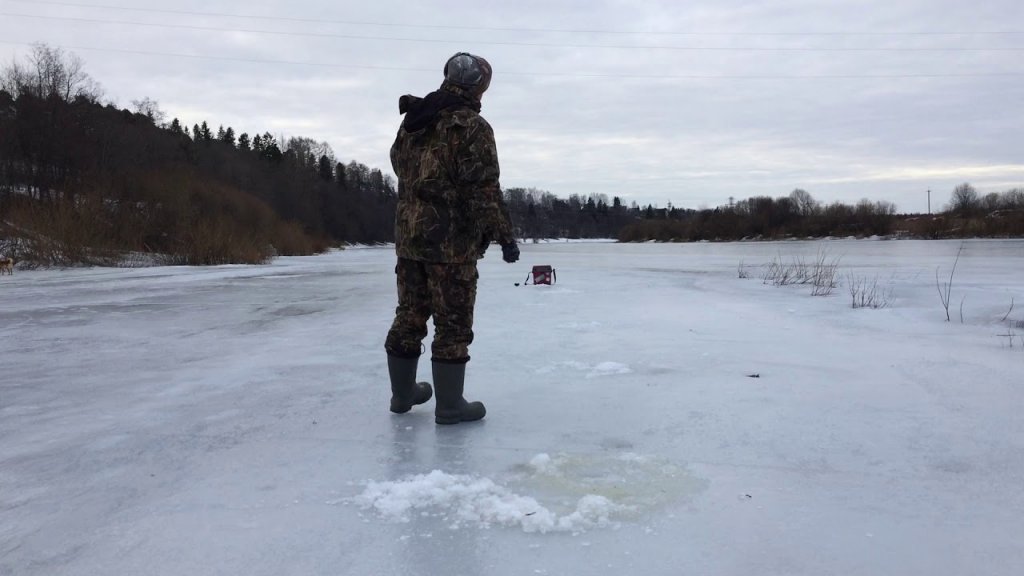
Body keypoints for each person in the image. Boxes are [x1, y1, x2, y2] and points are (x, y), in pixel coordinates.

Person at [384, 52, 520, 425]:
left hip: (409, 239)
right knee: (453, 323)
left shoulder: (414, 120)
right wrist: (505, 236)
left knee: (409, 315)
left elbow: (399, 165)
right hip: (451, 245)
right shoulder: (472, 127)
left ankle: (402, 394)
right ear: (479, 85)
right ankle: (449, 405)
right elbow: (484, 190)